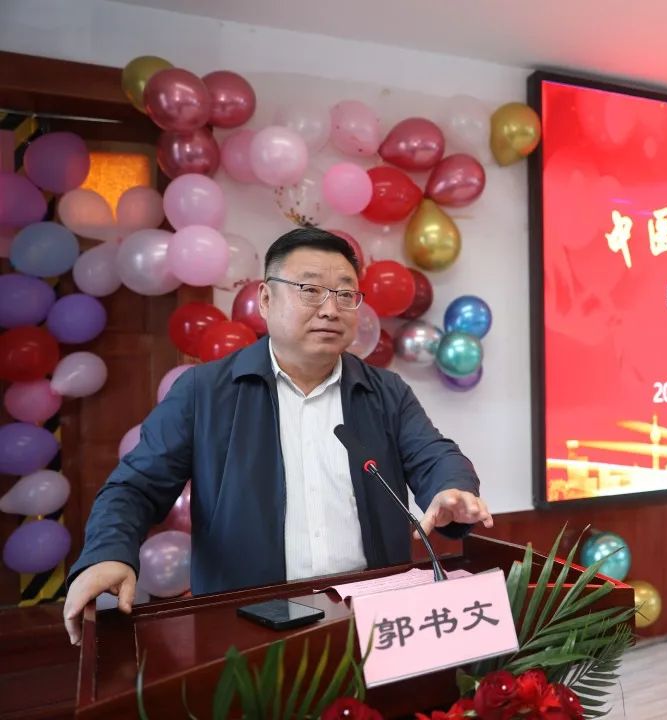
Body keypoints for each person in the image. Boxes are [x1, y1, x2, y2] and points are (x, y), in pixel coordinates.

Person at [63, 228, 492, 645]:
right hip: (249, 629)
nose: (331, 309)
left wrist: (452, 488)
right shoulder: (204, 392)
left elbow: (433, 454)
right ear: (266, 299)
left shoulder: (385, 391)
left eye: (346, 294)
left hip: (374, 621)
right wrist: (107, 554)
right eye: (311, 290)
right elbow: (135, 487)